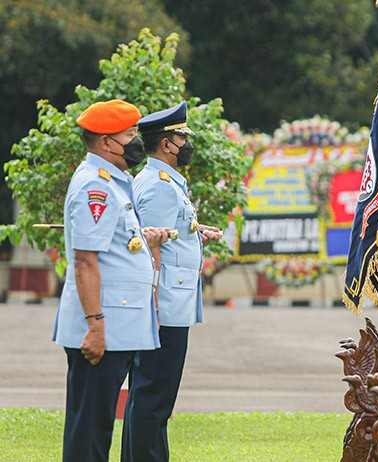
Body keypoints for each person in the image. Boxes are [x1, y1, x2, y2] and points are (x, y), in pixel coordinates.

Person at [53, 100, 168, 462]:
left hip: (118, 326)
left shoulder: (116, 182)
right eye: (130, 134)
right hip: (103, 327)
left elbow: (116, 248)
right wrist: (96, 326)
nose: (137, 140)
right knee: (90, 431)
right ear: (106, 142)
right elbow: (85, 261)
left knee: (97, 426)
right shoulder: (95, 187)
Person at [124, 101, 221, 461]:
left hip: (164, 305)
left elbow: (165, 234)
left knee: (149, 396)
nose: (187, 144)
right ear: (168, 143)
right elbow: (149, 248)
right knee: (153, 397)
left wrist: (196, 232)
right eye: (182, 137)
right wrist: (152, 309)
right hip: (163, 308)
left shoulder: (158, 181)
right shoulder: (161, 186)